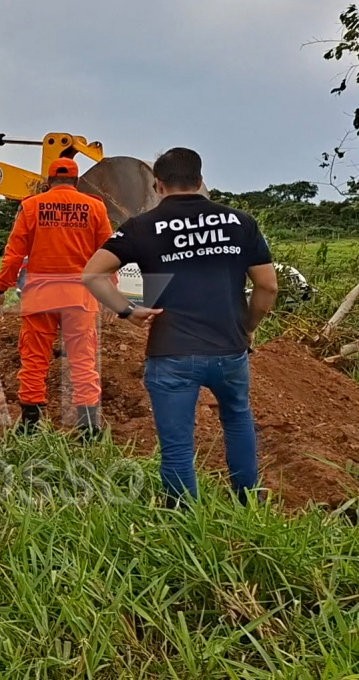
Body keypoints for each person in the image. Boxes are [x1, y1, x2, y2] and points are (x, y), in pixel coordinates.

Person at [82, 148, 278, 506]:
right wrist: (246, 326)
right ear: (201, 181)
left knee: (177, 445)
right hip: (230, 351)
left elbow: (92, 274)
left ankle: (183, 517)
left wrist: (128, 311)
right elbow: (268, 286)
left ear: (158, 184)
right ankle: (249, 503)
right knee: (237, 419)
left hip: (171, 353)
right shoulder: (240, 222)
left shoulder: (141, 227)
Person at [0, 158, 114, 435]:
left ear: (48, 182)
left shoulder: (31, 206)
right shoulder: (95, 207)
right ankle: (89, 427)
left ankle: (31, 424)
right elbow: (108, 253)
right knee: (83, 360)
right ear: (77, 182)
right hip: (81, 296)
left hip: (40, 297)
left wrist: (0, 288)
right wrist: (110, 293)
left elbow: (14, 254)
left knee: (34, 359)